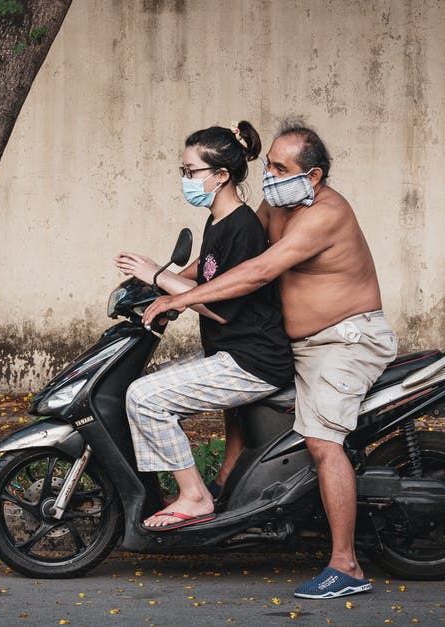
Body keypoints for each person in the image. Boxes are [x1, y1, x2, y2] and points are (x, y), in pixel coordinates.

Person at [143, 122, 398, 599]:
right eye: (268, 165)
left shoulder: (324, 214)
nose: (271, 175)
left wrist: (180, 298)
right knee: (240, 402)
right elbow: (228, 259)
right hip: (295, 343)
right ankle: (223, 492)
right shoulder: (278, 203)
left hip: (343, 341)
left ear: (314, 175)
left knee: (323, 441)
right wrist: (166, 278)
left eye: (282, 168)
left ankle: (346, 566)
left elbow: (259, 271)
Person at [114, 121, 293, 532]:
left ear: (221, 175)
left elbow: (220, 306)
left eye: (191, 172)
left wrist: (159, 277)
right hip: (231, 353)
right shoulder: (218, 220)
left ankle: (195, 497)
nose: (185, 180)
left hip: (252, 360)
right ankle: (203, 488)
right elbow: (207, 271)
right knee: (149, 381)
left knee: (144, 397)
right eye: (183, 171)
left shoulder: (244, 226)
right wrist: (156, 279)